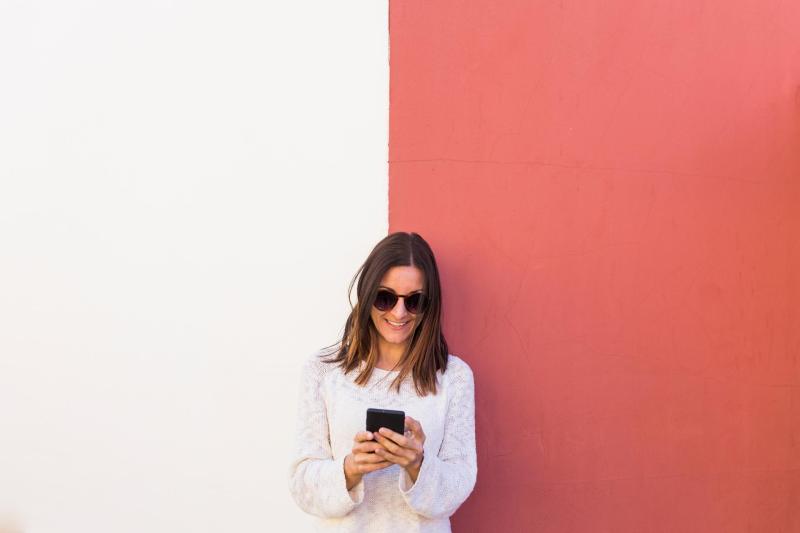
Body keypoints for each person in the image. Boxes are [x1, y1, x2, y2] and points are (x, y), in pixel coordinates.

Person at [288, 232, 477, 532]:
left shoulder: (454, 378)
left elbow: (458, 486)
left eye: (414, 301)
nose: (399, 313)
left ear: (430, 305)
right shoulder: (323, 371)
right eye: (385, 298)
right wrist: (350, 469)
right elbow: (302, 484)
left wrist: (417, 464)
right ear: (366, 295)